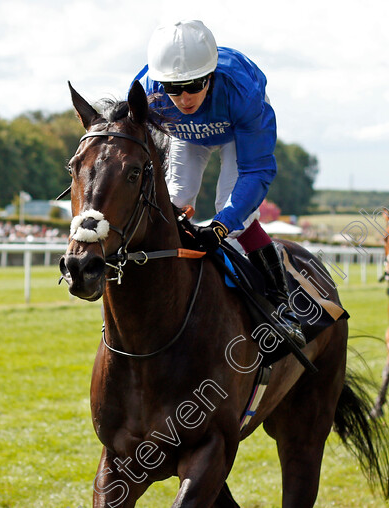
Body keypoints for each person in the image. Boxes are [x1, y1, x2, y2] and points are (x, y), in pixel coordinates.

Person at [134, 20, 304, 347]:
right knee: (174, 200)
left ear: (210, 76)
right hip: (183, 135)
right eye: (174, 88)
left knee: (232, 214)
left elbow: (257, 170)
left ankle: (283, 305)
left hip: (234, 131)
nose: (184, 98)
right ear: (160, 82)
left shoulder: (243, 92)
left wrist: (222, 225)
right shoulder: (146, 91)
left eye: (195, 84)